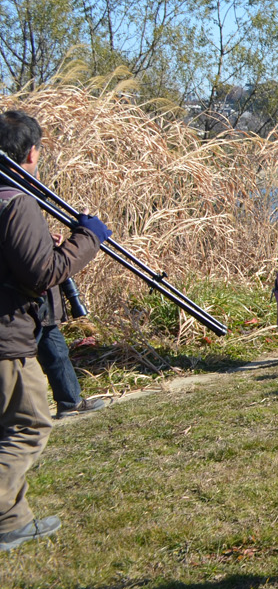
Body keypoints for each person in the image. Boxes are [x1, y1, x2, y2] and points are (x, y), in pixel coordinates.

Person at [0, 110, 110, 553]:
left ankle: (14, 521)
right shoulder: (14, 200)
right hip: (7, 337)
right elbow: (42, 271)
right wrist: (88, 238)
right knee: (29, 422)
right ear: (30, 153)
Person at [37, 280, 108, 418]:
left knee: (52, 348)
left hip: (34, 304)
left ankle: (69, 401)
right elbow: (43, 268)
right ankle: (70, 402)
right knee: (54, 351)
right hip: (34, 303)